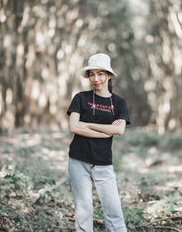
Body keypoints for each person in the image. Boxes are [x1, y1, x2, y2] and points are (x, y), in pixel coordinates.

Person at [66, 53, 131, 232]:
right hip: (78, 161)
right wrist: (104, 131)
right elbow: (73, 127)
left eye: (100, 74)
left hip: (104, 163)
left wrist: (85, 125)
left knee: (114, 211)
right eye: (92, 74)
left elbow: (119, 130)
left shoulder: (119, 103)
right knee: (84, 211)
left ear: (109, 75)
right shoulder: (81, 98)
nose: (96, 79)